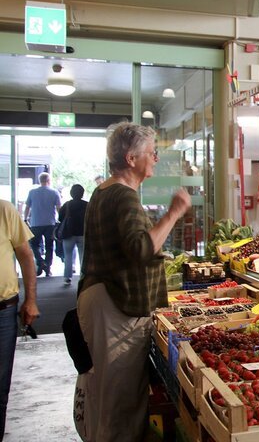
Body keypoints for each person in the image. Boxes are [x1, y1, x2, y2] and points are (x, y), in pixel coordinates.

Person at [74, 122, 190, 441]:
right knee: (119, 402)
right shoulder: (123, 196)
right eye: (151, 152)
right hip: (114, 309)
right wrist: (174, 213)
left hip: (102, 302)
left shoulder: (105, 191)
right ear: (130, 158)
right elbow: (140, 247)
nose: (155, 158)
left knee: (104, 398)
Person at [0, 200, 39, 437]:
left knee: (0, 388)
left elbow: (25, 255)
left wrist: (31, 300)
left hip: (3, 311)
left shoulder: (4, 210)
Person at [24, 172, 61, 277]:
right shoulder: (54, 192)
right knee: (49, 246)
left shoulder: (32, 192)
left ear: (39, 181)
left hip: (35, 223)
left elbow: (27, 207)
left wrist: (25, 219)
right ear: (49, 180)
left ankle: (40, 262)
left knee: (34, 244)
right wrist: (60, 220)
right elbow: (59, 208)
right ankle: (47, 268)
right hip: (50, 223)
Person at [58, 184, 89, 285]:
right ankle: (83, 276)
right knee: (83, 256)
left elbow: (60, 218)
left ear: (71, 193)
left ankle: (67, 277)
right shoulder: (87, 205)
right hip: (83, 234)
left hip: (69, 233)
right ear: (82, 193)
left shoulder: (67, 205)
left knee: (68, 256)